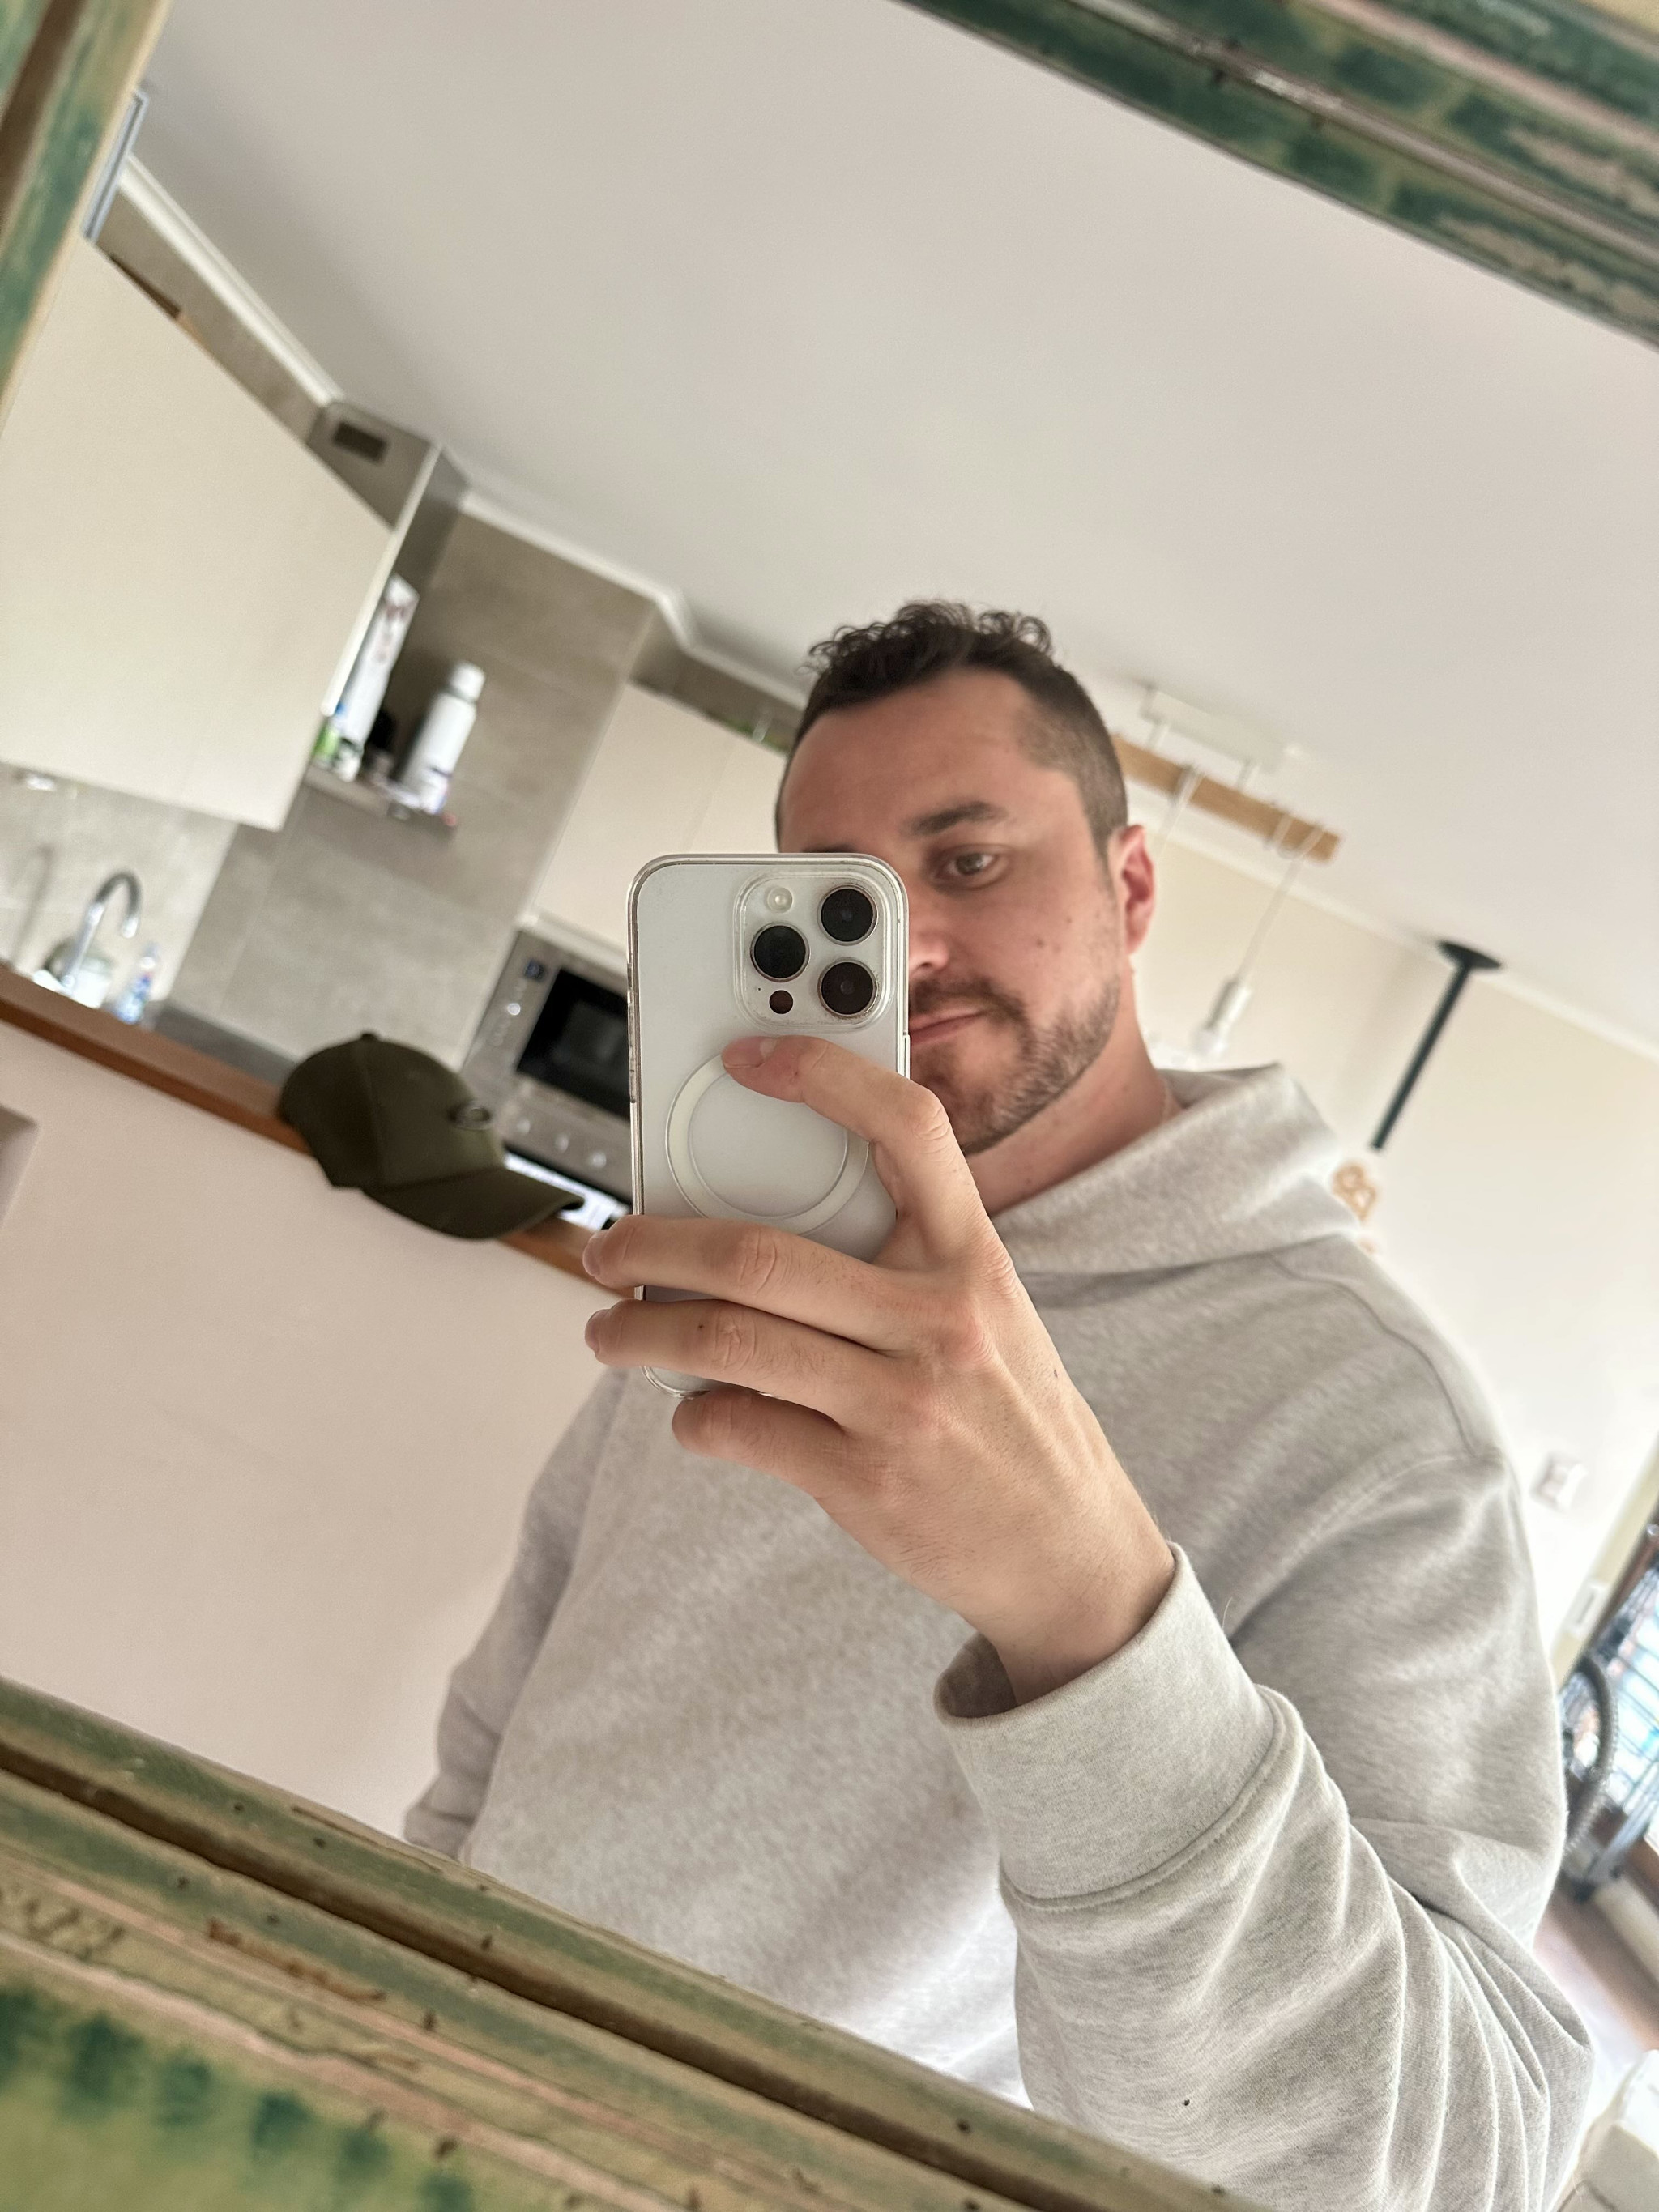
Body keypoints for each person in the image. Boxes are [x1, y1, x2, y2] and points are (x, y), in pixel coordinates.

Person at [408, 603, 1590, 2210]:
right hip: (423, 2091)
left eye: (966, 862)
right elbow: (533, 1675)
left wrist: (1084, 1607)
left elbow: (1454, 2170)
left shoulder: (1378, 1429)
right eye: (838, 897)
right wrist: (400, 1941)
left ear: (1129, 887)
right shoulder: (770, 1257)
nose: (904, 953)